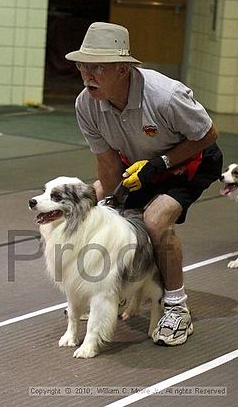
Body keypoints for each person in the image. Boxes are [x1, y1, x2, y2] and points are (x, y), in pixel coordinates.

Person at [65, 22, 223, 346]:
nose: (88, 75)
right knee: (92, 201)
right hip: (138, 164)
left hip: (190, 162)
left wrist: (161, 164)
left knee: (155, 219)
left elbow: (208, 135)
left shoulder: (165, 96)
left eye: (98, 67)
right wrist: (110, 208)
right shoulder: (86, 104)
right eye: (84, 65)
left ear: (123, 69)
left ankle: (177, 307)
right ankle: (114, 287)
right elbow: (107, 162)